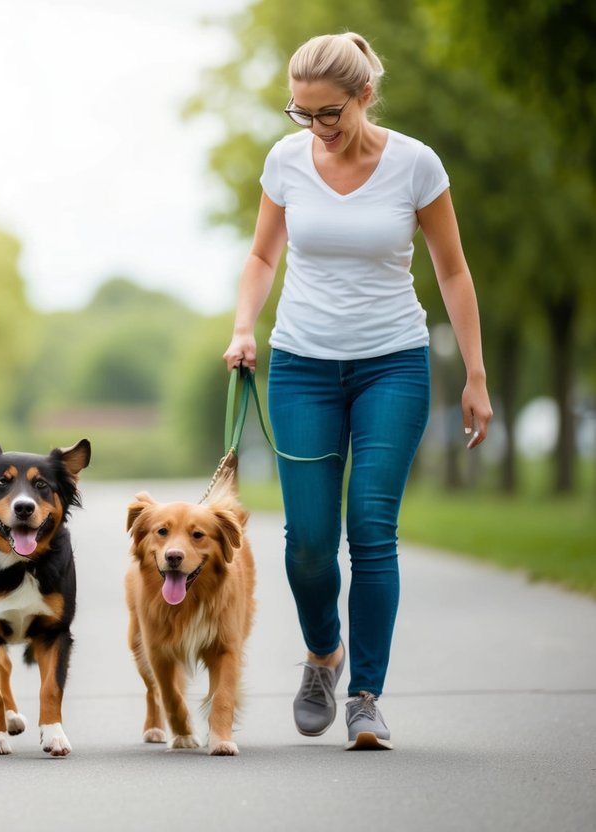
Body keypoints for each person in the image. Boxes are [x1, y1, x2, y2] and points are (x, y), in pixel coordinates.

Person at [221, 33, 492, 750]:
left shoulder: (413, 164)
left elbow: (453, 271)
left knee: (369, 531)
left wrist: (474, 374)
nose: (315, 127)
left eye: (328, 113)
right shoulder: (285, 161)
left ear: (364, 96)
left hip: (391, 366)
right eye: (300, 112)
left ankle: (365, 696)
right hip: (302, 365)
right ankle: (322, 655)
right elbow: (260, 253)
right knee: (308, 542)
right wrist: (243, 326)